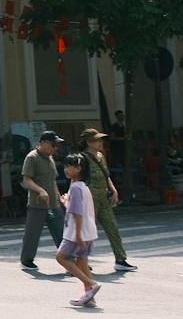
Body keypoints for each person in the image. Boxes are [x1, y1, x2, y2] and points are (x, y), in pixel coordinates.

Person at [80, 128, 132, 269]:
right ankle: (81, 261)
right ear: (88, 142)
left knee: (112, 228)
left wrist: (113, 189)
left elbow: (106, 175)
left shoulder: (101, 156)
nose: (100, 142)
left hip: (103, 198)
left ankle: (120, 259)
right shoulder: (82, 159)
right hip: (89, 199)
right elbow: (77, 180)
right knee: (87, 231)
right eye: (96, 140)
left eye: (100, 139)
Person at [56, 152, 102, 307]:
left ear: (78, 169)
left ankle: (91, 283)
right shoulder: (83, 187)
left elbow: (77, 213)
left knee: (61, 257)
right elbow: (82, 209)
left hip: (77, 232)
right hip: (88, 230)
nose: (66, 169)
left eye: (70, 166)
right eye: (66, 166)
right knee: (82, 263)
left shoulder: (75, 188)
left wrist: (78, 234)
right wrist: (66, 203)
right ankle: (90, 296)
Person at [19, 131, 66, 270]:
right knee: (32, 234)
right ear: (44, 143)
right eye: (53, 145)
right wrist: (40, 190)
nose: (55, 148)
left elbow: (53, 180)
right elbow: (26, 179)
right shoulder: (32, 157)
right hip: (37, 203)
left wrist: (59, 197)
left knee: (62, 233)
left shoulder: (50, 157)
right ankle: (27, 260)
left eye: (56, 145)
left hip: (54, 204)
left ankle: (69, 259)